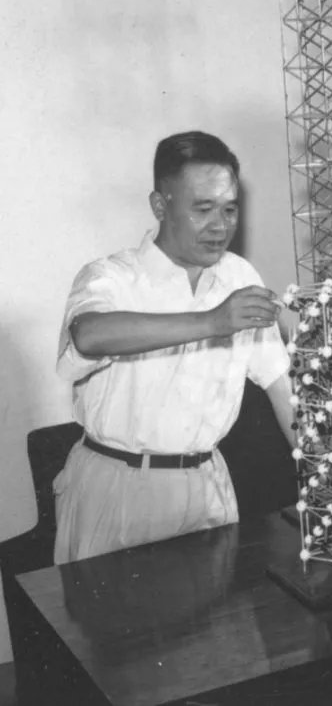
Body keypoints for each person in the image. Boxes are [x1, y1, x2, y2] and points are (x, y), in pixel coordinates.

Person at [53, 131, 294, 564]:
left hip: (208, 488)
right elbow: (88, 335)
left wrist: (328, 466)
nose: (220, 226)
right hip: (119, 489)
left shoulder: (239, 276)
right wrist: (213, 322)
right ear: (160, 206)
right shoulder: (111, 277)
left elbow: (283, 387)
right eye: (203, 209)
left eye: (229, 209)